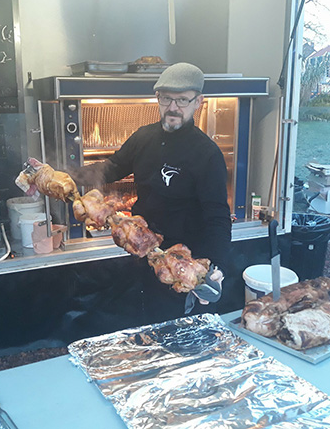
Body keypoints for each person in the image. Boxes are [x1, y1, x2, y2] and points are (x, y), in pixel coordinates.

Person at [71, 62, 231, 317]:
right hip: (142, 250)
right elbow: (111, 168)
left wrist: (216, 265)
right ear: (157, 97)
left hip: (180, 261)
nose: (173, 108)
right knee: (144, 318)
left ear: (198, 101)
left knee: (177, 330)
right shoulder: (144, 138)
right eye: (166, 99)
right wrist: (65, 175)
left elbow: (218, 216)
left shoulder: (206, 154)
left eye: (182, 100)